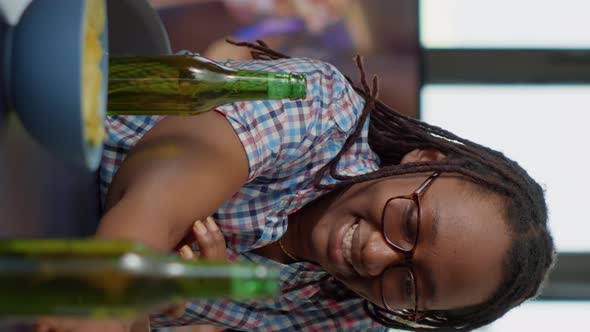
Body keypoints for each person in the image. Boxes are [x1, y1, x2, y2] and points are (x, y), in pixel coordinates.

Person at [39, 41, 555, 331]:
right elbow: (158, 189)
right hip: (34, 152)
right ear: (424, 160)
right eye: (408, 222)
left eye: (410, 286)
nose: (376, 256)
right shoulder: (321, 109)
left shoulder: (344, 322)